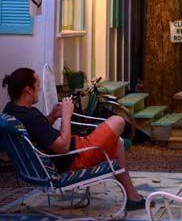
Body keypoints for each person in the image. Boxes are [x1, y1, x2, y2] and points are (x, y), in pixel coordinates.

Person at [2, 68, 148, 211]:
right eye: (38, 85)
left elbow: (38, 132)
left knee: (116, 143)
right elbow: (63, 147)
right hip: (75, 157)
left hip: (73, 150)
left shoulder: (12, 110)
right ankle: (132, 197)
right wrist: (66, 116)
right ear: (28, 89)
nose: (39, 89)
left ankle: (132, 197)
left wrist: (53, 116)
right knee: (118, 120)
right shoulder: (30, 117)